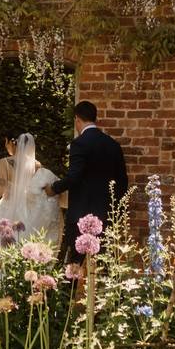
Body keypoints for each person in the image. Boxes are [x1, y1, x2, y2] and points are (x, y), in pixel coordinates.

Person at [44, 101, 128, 263]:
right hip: (106, 216)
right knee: (104, 265)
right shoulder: (113, 145)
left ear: (77, 119)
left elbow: (74, 176)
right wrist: (114, 209)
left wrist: (54, 188)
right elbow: (123, 182)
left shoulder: (79, 143)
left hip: (81, 216)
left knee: (73, 266)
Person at [0, 132, 61, 301]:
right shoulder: (37, 165)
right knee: (21, 249)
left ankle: (2, 294)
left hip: (6, 212)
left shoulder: (5, 162)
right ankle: (25, 293)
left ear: (11, 143)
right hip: (26, 214)